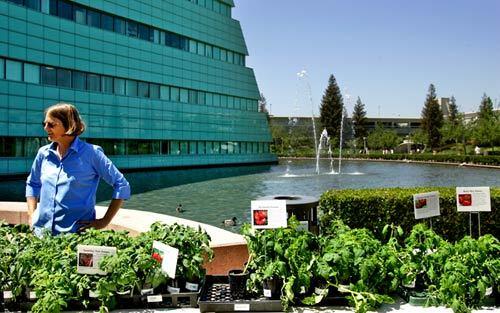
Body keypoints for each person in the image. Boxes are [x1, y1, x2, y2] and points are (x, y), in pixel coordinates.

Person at [25, 103, 131, 235]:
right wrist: (31, 215)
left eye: (51, 124)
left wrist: (104, 221)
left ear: (69, 125)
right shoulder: (43, 153)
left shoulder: (92, 153)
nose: (46, 128)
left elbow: (121, 185)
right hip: (41, 235)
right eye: (44, 124)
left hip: (75, 236)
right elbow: (32, 184)